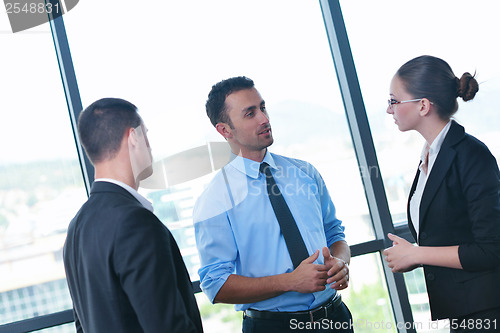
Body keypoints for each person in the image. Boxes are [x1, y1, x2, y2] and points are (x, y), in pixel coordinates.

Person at [193, 76, 353, 332]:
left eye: (263, 108)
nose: (264, 119)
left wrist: (340, 262)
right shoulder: (215, 200)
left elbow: (335, 233)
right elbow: (215, 284)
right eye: (250, 113)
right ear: (225, 130)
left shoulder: (305, 173)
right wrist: (289, 282)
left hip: (334, 318)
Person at [63, 98, 203, 333]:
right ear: (134, 138)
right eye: (146, 135)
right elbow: (167, 326)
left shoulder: (76, 227)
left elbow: (83, 325)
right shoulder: (136, 222)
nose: (150, 146)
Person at [383, 55, 500, 332]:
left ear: (423, 105)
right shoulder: (431, 155)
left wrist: (417, 254)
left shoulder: (471, 154)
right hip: (463, 310)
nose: (389, 110)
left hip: (488, 310)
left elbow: (492, 250)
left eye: (393, 101)